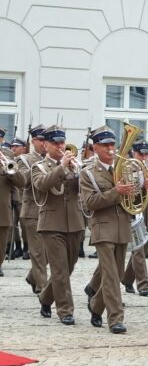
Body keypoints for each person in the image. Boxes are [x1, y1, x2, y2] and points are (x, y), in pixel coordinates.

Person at [80, 125, 141, 334]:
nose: (110, 149)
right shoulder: (88, 173)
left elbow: (134, 198)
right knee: (111, 275)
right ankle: (115, 318)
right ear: (95, 147)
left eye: (112, 144)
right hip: (102, 227)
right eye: (105, 145)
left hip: (122, 225)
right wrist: (116, 192)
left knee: (118, 272)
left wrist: (144, 186)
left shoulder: (124, 168)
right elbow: (90, 202)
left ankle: (96, 305)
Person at [31, 125, 85, 325]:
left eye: (62, 142)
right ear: (45, 145)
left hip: (75, 223)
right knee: (60, 269)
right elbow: (42, 185)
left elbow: (84, 189)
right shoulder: (39, 167)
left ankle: (45, 298)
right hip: (51, 224)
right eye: (55, 143)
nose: (60, 146)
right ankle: (65, 310)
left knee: (68, 268)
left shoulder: (74, 165)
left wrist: (80, 172)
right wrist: (62, 168)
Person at [121, 139, 148, 296]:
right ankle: (143, 284)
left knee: (146, 245)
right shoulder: (127, 167)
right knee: (139, 248)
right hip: (133, 211)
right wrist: (141, 185)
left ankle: (127, 278)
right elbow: (128, 192)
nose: (144, 157)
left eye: (146, 154)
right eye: (140, 154)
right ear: (134, 153)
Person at [17, 124, 48, 293]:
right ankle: (43, 290)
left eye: (46, 140)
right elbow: (24, 181)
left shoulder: (51, 158)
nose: (44, 143)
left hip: (50, 213)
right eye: (41, 140)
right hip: (32, 212)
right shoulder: (24, 159)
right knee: (38, 254)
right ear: (33, 141)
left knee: (49, 253)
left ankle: (32, 277)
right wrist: (43, 164)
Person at [0, 126, 26, 277]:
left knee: (1, 241)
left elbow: (21, 182)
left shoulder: (8, 157)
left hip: (2, 209)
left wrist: (9, 169)